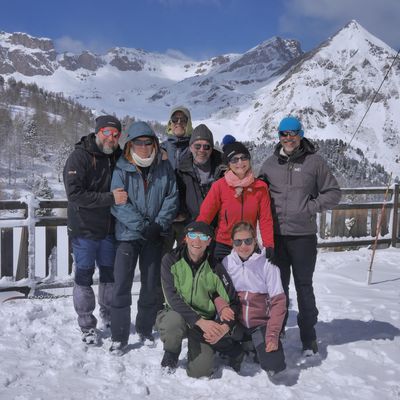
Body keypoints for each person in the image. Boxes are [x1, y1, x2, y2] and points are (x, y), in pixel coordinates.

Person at [259, 116, 341, 356]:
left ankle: (308, 336)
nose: (288, 137)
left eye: (293, 132)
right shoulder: (269, 164)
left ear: (301, 134)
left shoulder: (314, 162)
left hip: (303, 236)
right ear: (279, 136)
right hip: (276, 237)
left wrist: (310, 207)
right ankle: (278, 329)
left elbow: (334, 193)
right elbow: (259, 194)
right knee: (278, 287)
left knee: (304, 286)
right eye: (283, 133)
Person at [109, 121, 178, 354]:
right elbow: (118, 204)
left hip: (154, 235)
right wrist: (142, 226)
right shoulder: (121, 169)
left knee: (150, 285)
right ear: (130, 145)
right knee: (121, 285)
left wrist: (158, 224)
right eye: (139, 143)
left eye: (148, 142)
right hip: (128, 236)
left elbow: (172, 197)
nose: (144, 147)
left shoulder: (164, 168)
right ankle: (119, 336)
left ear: (155, 144)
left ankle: (144, 328)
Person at [63, 115, 128, 345]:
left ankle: (108, 316)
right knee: (83, 276)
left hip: (109, 230)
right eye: (107, 133)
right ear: (98, 132)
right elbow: (75, 195)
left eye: (116, 134)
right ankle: (86, 324)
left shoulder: (118, 157)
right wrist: (110, 198)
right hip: (84, 231)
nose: (111, 138)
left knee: (109, 277)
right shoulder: (79, 157)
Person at [156, 221, 244, 377]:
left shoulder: (216, 267)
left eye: (203, 237)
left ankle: (225, 347)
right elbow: (172, 298)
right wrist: (199, 321)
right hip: (177, 314)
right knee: (171, 324)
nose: (197, 241)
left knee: (200, 372)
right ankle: (171, 352)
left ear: (209, 241)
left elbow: (234, 302)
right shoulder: (170, 260)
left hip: (204, 321)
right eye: (192, 236)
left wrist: (223, 328)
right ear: (186, 239)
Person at [219, 221, 286, 377]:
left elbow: (279, 302)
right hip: (236, 323)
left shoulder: (267, 264)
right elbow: (218, 293)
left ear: (255, 240)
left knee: (274, 365)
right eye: (238, 242)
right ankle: (237, 349)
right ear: (232, 243)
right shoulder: (227, 263)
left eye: (248, 240)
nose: (243, 246)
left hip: (260, 324)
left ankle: (255, 343)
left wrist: (272, 334)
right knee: (212, 335)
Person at [197, 140, 274, 261]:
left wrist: (268, 244)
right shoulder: (219, 186)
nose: (240, 162)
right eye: (234, 159)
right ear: (228, 164)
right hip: (224, 245)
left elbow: (265, 219)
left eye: (244, 158)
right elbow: (205, 216)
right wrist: (196, 240)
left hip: (248, 244)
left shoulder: (260, 187)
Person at [176, 124, 224, 226]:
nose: (202, 150)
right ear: (190, 147)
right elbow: (178, 197)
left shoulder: (223, 168)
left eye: (206, 146)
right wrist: (185, 214)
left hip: (219, 227)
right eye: (197, 146)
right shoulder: (181, 170)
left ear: (211, 149)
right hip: (192, 226)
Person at [162, 106, 193, 252]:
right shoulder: (161, 148)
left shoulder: (196, 148)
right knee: (161, 263)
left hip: (188, 219)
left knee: (186, 264)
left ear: (189, 123)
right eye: (175, 119)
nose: (179, 122)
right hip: (165, 219)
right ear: (170, 123)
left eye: (183, 119)